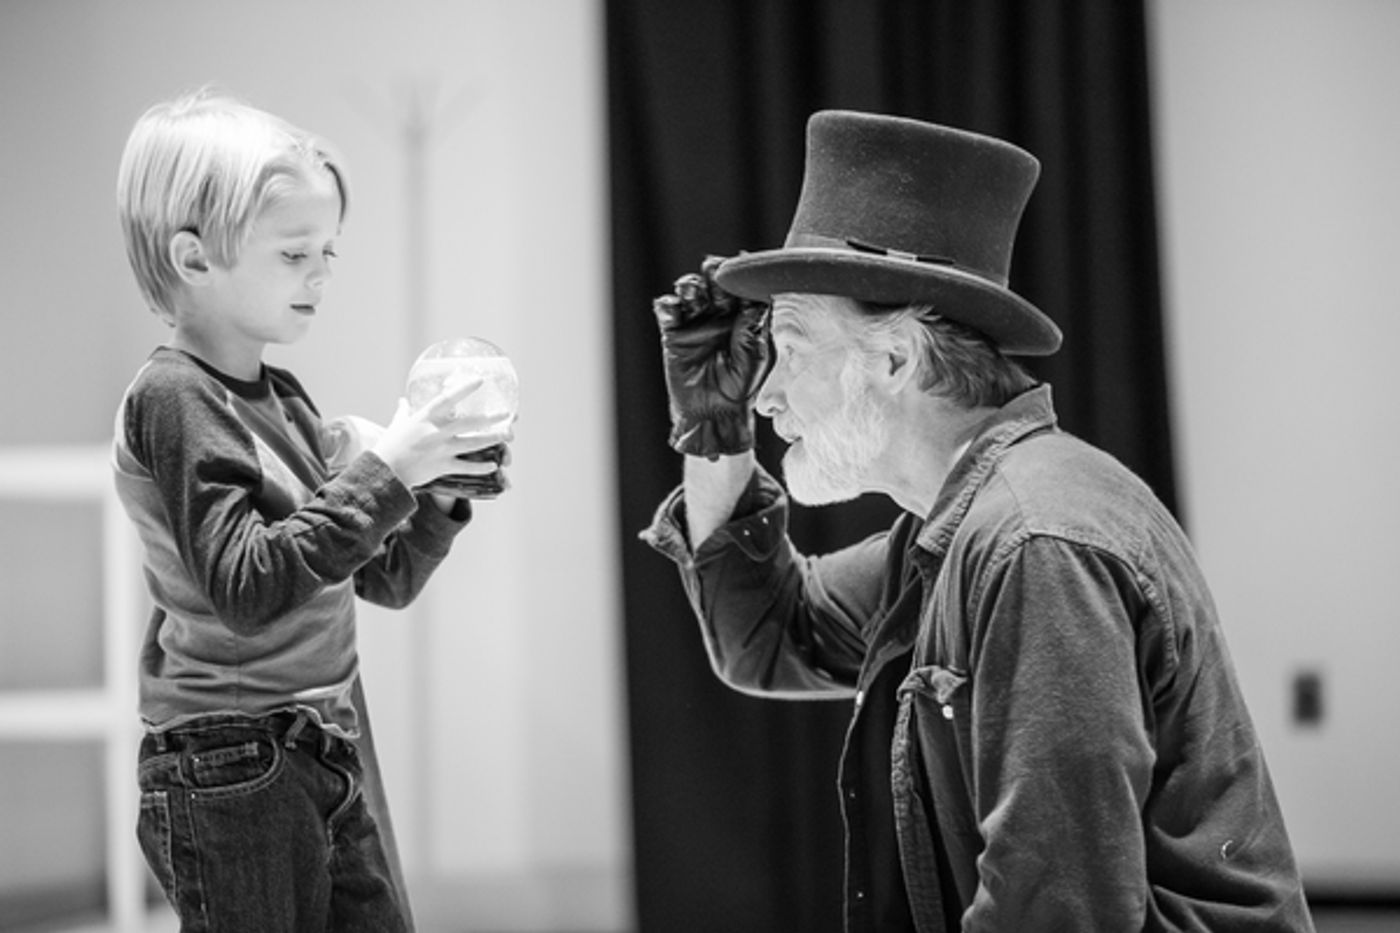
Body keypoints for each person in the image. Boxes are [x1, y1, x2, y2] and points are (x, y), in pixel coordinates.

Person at [643, 110, 1314, 931]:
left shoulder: (1035, 539)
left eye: (789, 343)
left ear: (893, 359)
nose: (766, 391)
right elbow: (770, 636)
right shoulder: (960, 523)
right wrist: (717, 435)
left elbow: (1057, 913)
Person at [111, 88, 510, 932]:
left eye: (329, 250)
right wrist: (385, 471)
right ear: (193, 258)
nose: (322, 275)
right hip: (229, 763)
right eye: (294, 254)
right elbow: (249, 585)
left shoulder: (285, 400)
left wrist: (430, 491)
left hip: (316, 744)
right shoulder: (174, 397)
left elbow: (384, 580)